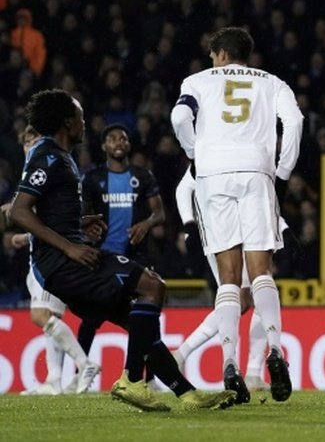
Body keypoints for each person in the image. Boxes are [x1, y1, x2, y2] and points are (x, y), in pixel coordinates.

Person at [8, 89, 236, 411]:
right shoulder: (48, 157)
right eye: (81, 118)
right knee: (152, 285)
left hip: (65, 260)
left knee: (139, 324)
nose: (85, 123)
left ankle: (187, 394)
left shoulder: (60, 157)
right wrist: (70, 247)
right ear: (67, 122)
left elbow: (49, 210)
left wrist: (81, 223)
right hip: (62, 264)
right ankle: (131, 380)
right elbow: (18, 211)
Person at [171, 26, 303, 403]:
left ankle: (229, 362)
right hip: (257, 171)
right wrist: (283, 173)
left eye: (214, 56)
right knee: (260, 272)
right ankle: (275, 351)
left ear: (222, 54)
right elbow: (294, 123)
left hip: (213, 176)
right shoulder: (273, 82)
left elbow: (180, 117)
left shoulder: (197, 81)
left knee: (229, 279)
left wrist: (196, 155)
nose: (213, 62)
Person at [172, 164, 286, 394]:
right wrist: (189, 225)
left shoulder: (248, 145)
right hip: (222, 228)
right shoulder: (214, 146)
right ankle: (181, 354)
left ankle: (253, 372)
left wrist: (281, 224)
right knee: (245, 295)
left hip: (245, 226)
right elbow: (184, 187)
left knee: (256, 294)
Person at [3, 125, 99, 395]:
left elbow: (54, 217)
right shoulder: (30, 175)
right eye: (26, 140)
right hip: (38, 256)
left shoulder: (48, 169)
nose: (30, 143)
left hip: (51, 257)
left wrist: (26, 234)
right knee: (51, 321)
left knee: (41, 315)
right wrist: (26, 237)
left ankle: (85, 363)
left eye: (35, 139)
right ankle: (54, 379)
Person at [77, 122, 165, 380]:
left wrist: (147, 223)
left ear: (128, 144)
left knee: (147, 315)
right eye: (112, 138)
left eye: (123, 138)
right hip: (102, 257)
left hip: (136, 256)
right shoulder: (92, 179)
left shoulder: (143, 176)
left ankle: (148, 377)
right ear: (104, 146)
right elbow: (81, 215)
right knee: (91, 317)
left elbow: (159, 213)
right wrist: (86, 228)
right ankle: (79, 372)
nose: (118, 142)